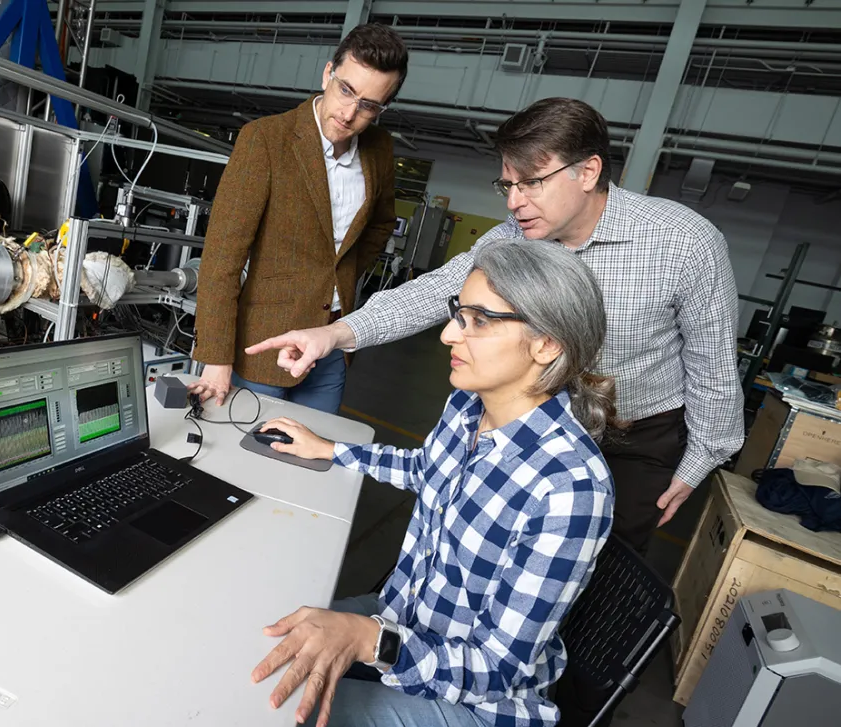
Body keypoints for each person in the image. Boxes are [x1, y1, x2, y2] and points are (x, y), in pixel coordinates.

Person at [247, 97, 744, 554]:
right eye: (508, 184)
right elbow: (434, 291)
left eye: (532, 183)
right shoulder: (514, 236)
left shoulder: (684, 243)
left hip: (631, 440)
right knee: (491, 552)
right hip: (527, 427)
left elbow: (714, 365)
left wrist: (696, 464)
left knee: (601, 568)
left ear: (589, 171)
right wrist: (333, 333)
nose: (514, 201)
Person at [249, 239, 615, 727]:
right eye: (457, 315)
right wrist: (330, 449)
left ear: (548, 344)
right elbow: (428, 471)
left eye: (478, 321)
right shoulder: (468, 407)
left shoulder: (570, 488)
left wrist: (368, 639)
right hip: (405, 619)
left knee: (264, 713)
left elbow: (499, 667)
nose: (448, 336)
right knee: (262, 637)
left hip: (479, 702)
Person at [187, 23, 408, 415]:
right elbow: (223, 257)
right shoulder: (265, 140)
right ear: (328, 74)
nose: (350, 113)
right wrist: (217, 358)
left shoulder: (379, 150)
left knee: (310, 461)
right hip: (263, 346)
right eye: (346, 90)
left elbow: (380, 225)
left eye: (369, 106)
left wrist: (340, 274)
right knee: (246, 468)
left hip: (331, 346)